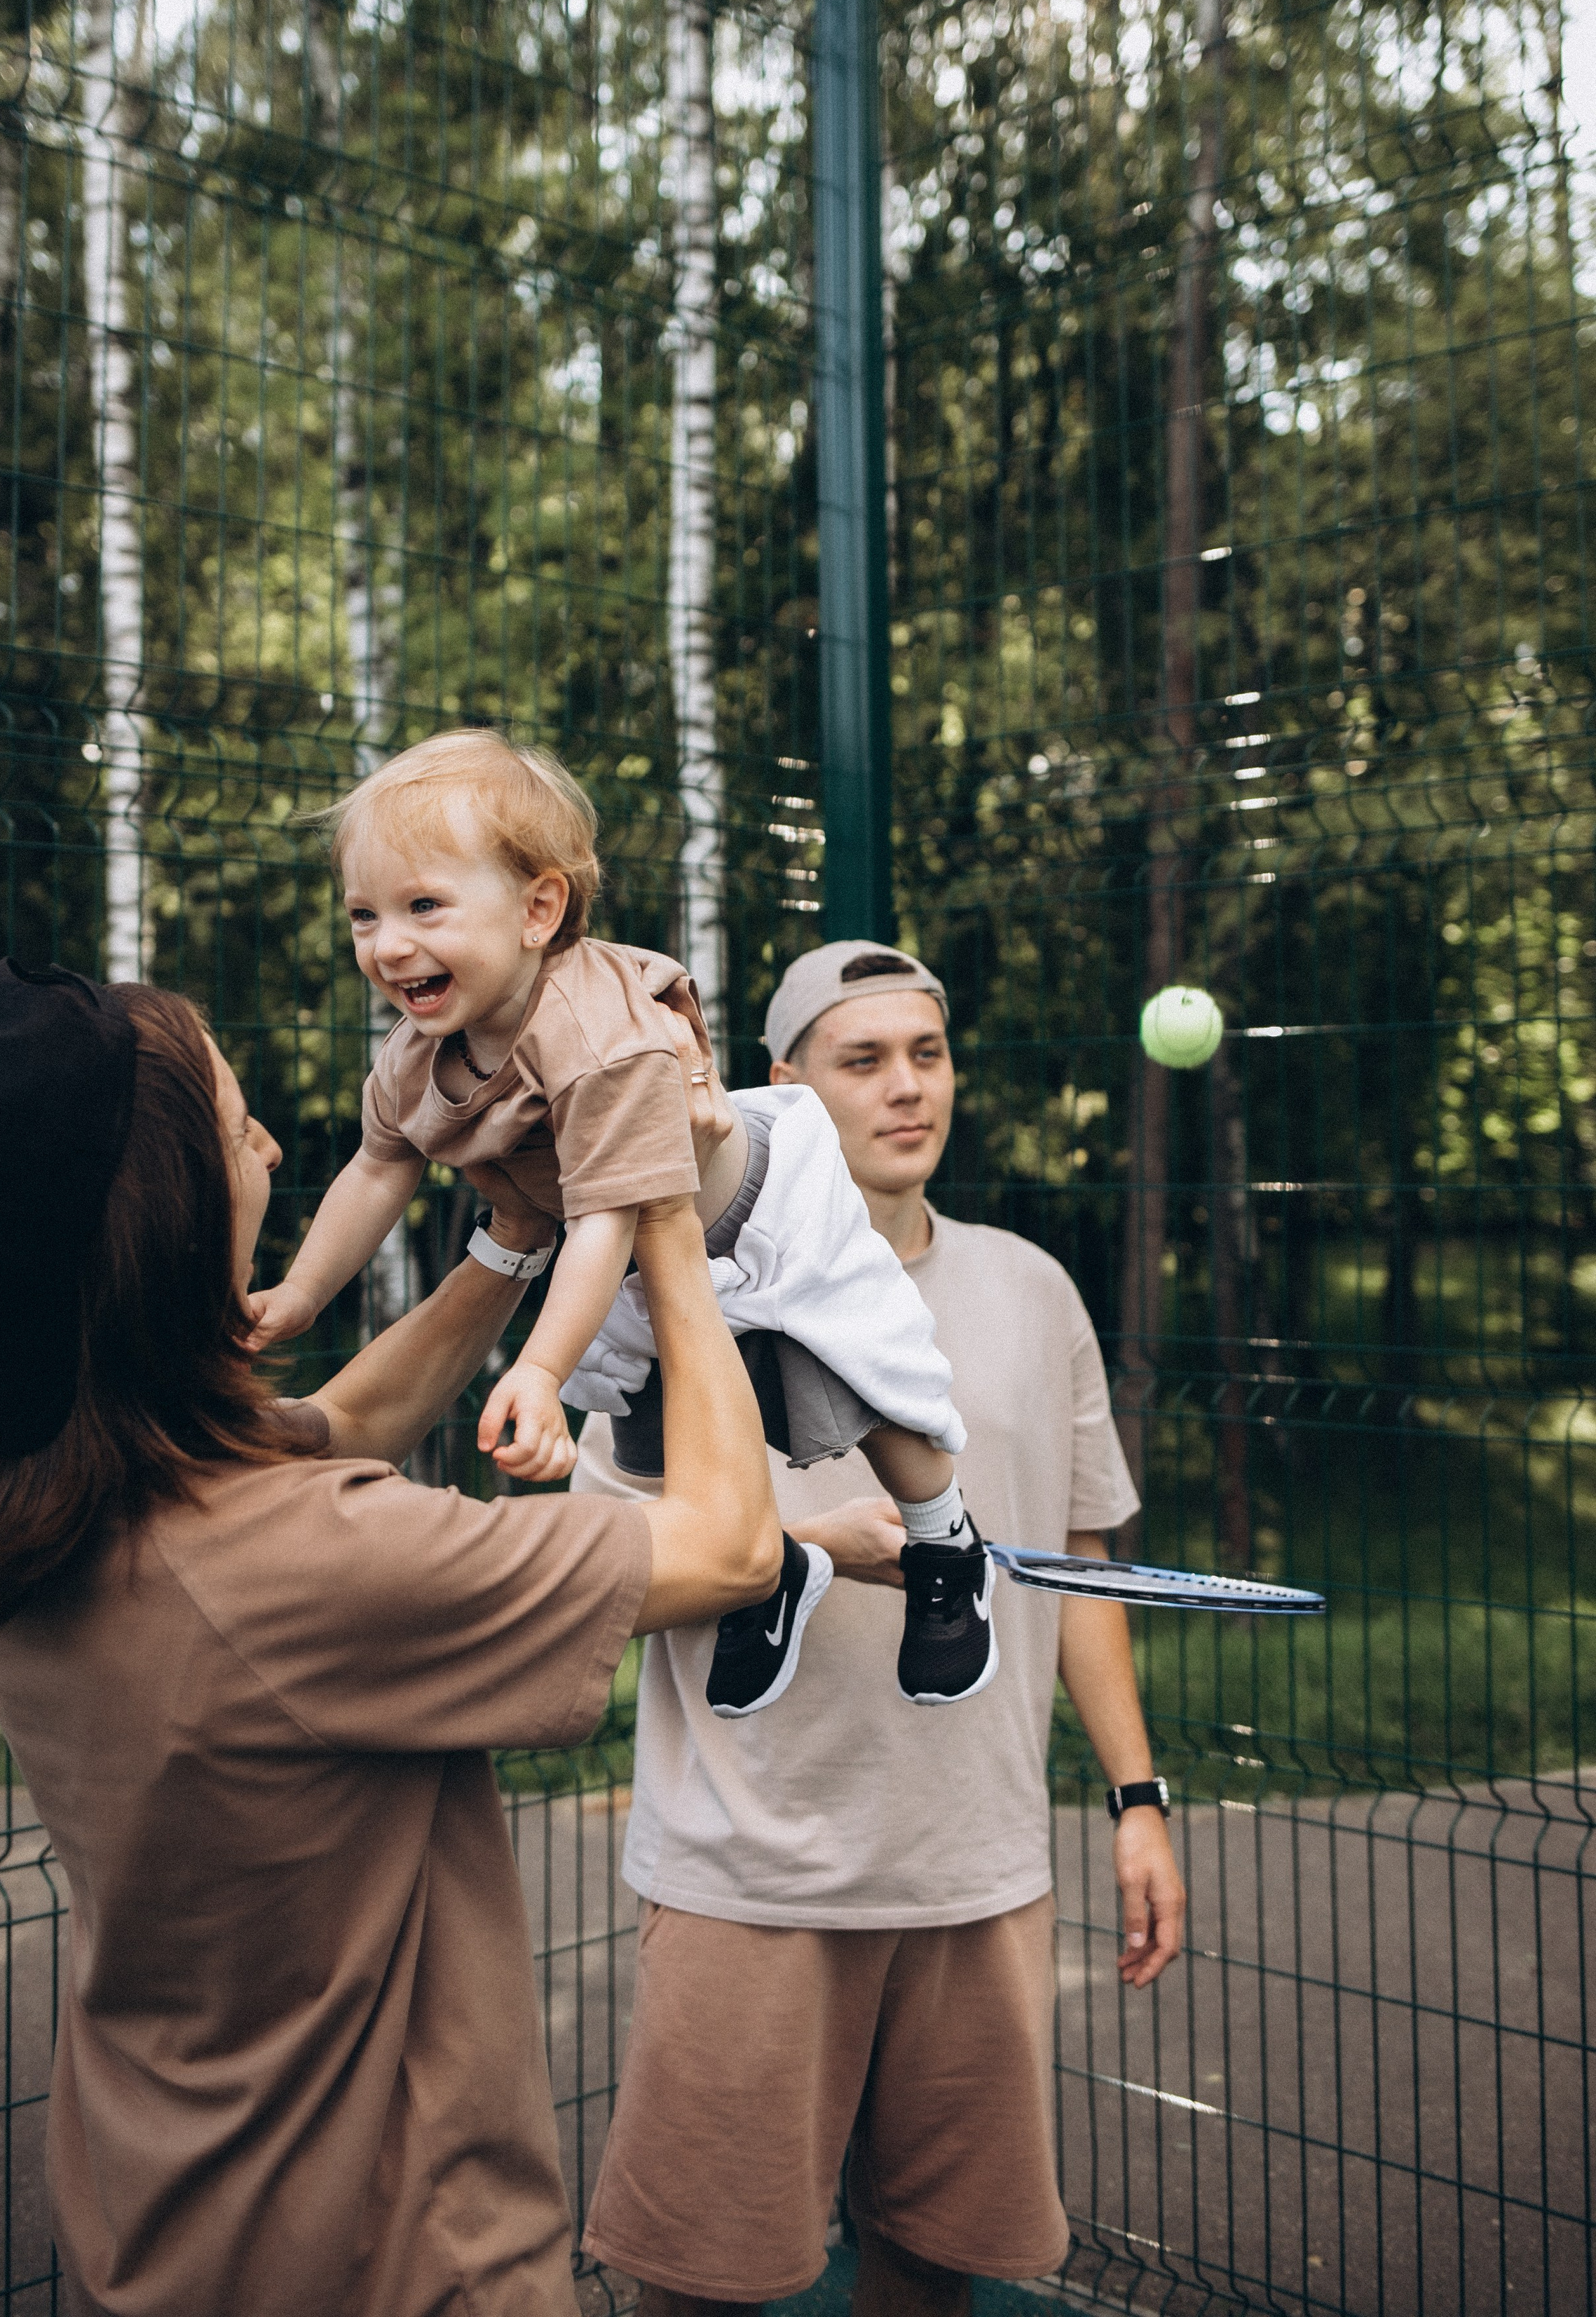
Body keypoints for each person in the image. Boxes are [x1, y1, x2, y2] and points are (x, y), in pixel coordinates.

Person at [0, 956, 785, 2317]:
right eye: (235, 1128)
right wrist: (658, 1211)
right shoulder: (299, 1568)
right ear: (156, 1212)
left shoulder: (28, 1503)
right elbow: (732, 1545)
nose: (276, 1145)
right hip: (397, 2252)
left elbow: (336, 1431)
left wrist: (511, 1240)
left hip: (166, 2206)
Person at [575, 939, 1189, 2317]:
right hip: (753, 1874)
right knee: (702, 2282)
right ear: (783, 1089)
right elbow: (588, 1565)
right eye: (863, 1061)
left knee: (933, 2263)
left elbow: (1076, 1569)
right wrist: (797, 1549)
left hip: (976, 1872)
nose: (906, 1088)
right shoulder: (680, 1298)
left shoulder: (1034, 1289)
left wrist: (1134, 1797)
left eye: (927, 1054)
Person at [247, 730, 998, 1715]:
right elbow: (380, 1165)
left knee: (853, 1380)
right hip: (637, 1247)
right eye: (364, 915)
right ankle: (767, 1573)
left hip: (759, 1215)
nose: (388, 944)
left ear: (539, 909)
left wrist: (542, 1370)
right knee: (660, 1446)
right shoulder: (418, 1053)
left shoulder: (599, 1038)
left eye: (424, 906)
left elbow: (605, 1215)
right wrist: (301, 1294)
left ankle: (946, 1541)